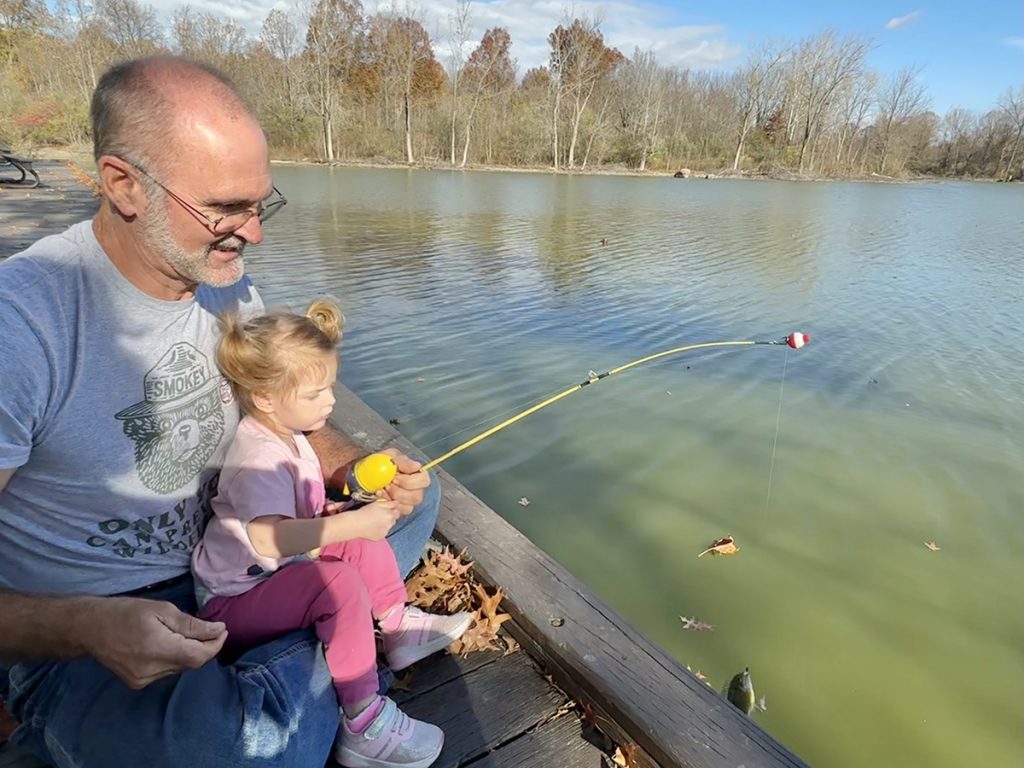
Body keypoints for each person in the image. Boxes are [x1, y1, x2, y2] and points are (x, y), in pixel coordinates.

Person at [0, 55, 439, 767]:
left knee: (420, 496)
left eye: (260, 204)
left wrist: (355, 471)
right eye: (226, 208)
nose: (253, 233)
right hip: (87, 628)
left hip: (233, 561)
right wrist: (84, 627)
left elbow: (275, 416)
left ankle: (328, 644)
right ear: (123, 184)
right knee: (239, 749)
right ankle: (348, 649)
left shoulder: (222, 286)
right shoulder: (23, 325)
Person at [192, 298, 471, 767]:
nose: (331, 401)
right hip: (231, 601)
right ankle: (364, 723)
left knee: (360, 540)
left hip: (271, 576)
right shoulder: (259, 456)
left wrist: (347, 509)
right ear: (264, 397)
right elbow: (266, 539)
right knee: (337, 582)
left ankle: (397, 627)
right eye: (316, 394)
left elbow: (304, 511)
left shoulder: (289, 434)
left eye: (331, 388)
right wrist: (350, 521)